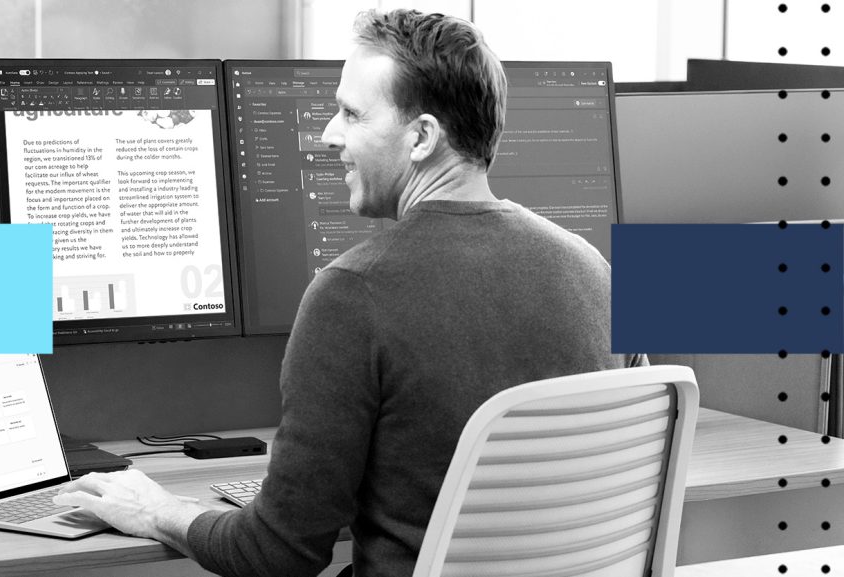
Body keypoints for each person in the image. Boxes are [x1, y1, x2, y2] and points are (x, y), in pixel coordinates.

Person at [54, 8, 645, 577]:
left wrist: (159, 511)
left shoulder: (351, 295)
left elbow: (279, 555)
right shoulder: (597, 269)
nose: (327, 134)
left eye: (352, 114)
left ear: (421, 138)